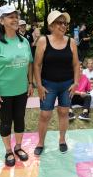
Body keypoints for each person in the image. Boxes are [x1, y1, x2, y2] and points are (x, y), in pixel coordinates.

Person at [0, 5, 34, 167]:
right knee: (6, 122)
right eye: (10, 16)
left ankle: (18, 147)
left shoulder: (24, 41)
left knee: (20, 119)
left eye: (16, 16)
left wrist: (30, 82)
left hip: (21, 90)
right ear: (1, 20)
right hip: (3, 92)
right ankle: (8, 150)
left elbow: (30, 63)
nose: (15, 19)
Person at [34, 10, 80, 155]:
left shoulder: (71, 42)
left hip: (67, 84)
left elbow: (76, 65)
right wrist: (39, 85)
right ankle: (40, 143)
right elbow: (36, 65)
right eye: (59, 22)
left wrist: (76, 82)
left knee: (64, 112)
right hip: (48, 85)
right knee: (45, 115)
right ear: (51, 26)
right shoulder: (43, 40)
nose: (63, 25)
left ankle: (62, 140)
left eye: (65, 23)